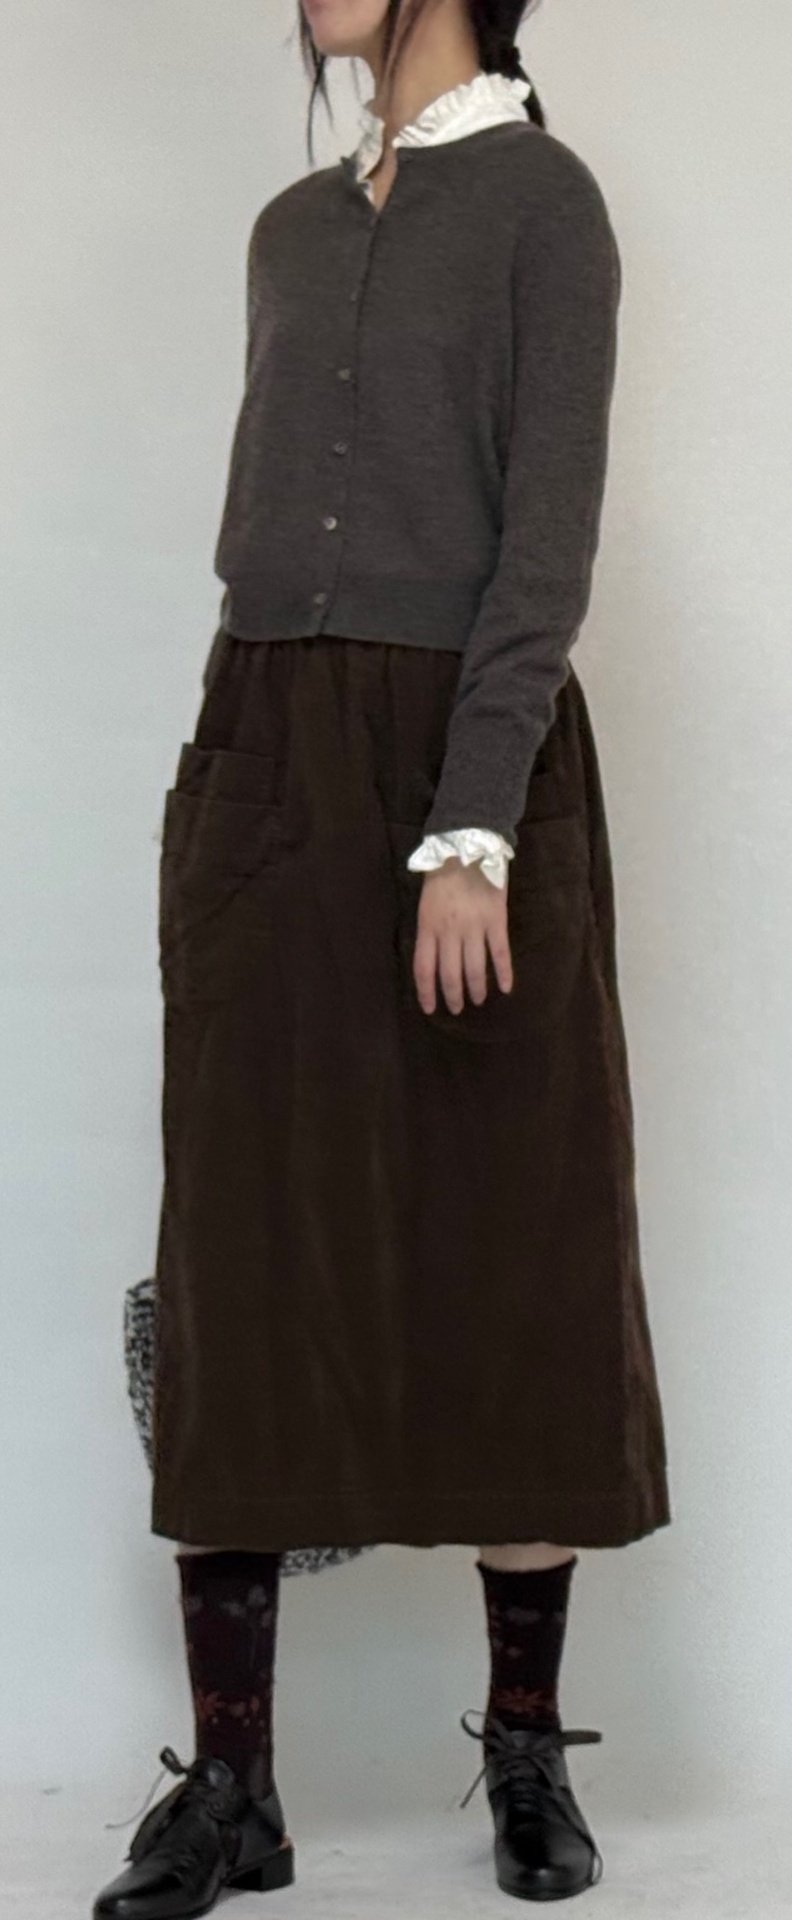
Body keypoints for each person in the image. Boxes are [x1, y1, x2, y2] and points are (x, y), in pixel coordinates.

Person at [94, 3, 672, 1913]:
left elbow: (546, 542)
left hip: (467, 766)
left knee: (515, 1239)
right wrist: (234, 784)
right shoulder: (288, 226)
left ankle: (526, 1749)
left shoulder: (545, 206)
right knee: (243, 1246)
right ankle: (235, 1786)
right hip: (265, 749)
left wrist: (470, 823)